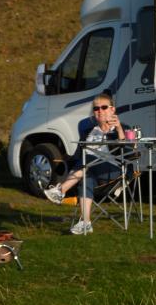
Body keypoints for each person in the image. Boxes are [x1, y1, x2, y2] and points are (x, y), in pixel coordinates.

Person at [44, 93, 127, 234]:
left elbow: (126, 152)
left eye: (104, 107)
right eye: (96, 109)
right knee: (86, 176)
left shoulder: (122, 129)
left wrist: (119, 130)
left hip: (113, 173)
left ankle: (60, 191)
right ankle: (86, 223)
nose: (100, 111)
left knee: (88, 159)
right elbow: (78, 154)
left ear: (112, 110)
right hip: (90, 171)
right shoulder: (88, 130)